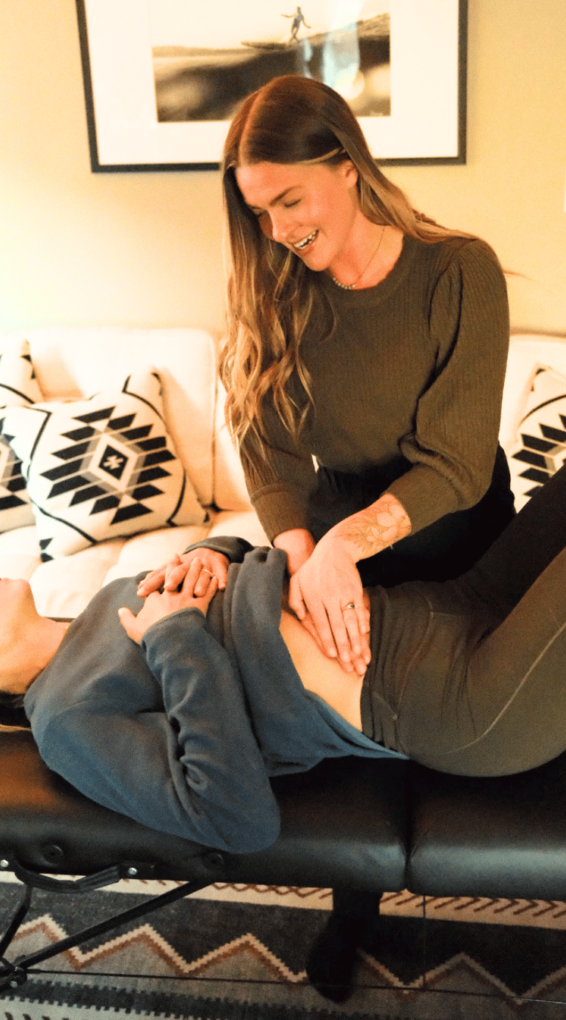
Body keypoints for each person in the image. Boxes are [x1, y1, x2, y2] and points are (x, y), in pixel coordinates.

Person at [0, 380, 566, 854]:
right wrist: (172, 639)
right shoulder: (64, 722)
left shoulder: (98, 606)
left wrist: (218, 552)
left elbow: (247, 591)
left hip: (460, 600)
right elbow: (232, 817)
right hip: (472, 698)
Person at [140, 75, 514, 680]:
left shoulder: (459, 271)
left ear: (348, 166)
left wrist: (343, 547)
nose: (279, 232)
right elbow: (266, 447)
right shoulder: (269, 289)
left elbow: (458, 467)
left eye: (290, 201)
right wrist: (303, 559)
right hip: (333, 540)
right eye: (260, 213)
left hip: (462, 546)